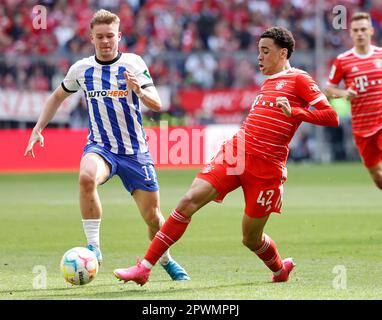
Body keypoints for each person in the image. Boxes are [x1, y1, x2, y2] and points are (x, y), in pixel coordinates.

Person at [113, 26, 339, 285]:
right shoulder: (267, 83)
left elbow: (331, 116)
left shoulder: (299, 79)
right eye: (258, 51)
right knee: (189, 200)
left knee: (250, 238)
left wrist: (297, 113)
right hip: (237, 153)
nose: (259, 57)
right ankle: (145, 268)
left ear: (283, 53)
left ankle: (279, 269)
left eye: (265, 51)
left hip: (267, 168)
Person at [24, 9, 189, 281]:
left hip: (135, 151)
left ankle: (166, 260)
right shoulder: (82, 69)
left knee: (154, 219)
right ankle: (94, 248)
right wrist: (38, 129)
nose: (105, 41)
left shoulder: (134, 64)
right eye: (99, 36)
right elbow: (56, 97)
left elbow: (158, 104)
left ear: (119, 36)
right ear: (91, 38)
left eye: (110, 36)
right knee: (86, 177)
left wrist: (139, 90)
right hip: (101, 147)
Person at [325, 12, 382, 189]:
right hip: (362, 127)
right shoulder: (343, 60)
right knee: (376, 175)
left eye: (363, 29)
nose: (360, 33)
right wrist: (343, 94)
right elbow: (328, 89)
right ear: (351, 33)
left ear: (371, 31)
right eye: (356, 30)